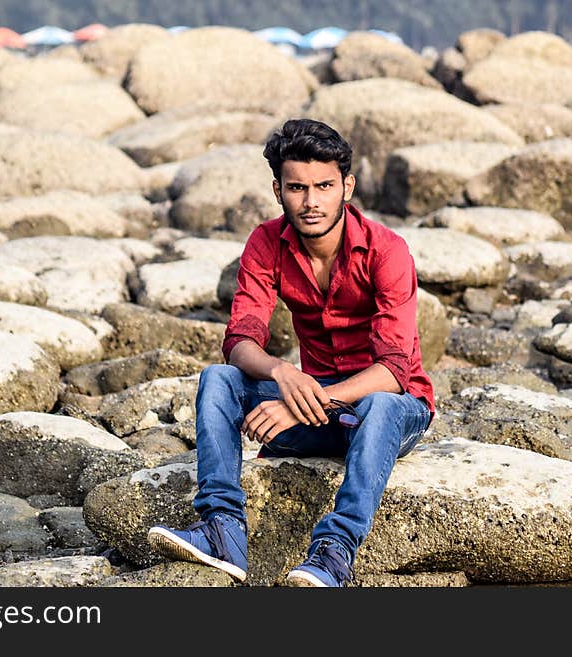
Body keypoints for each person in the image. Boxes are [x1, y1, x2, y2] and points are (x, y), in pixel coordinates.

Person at [147, 118, 434, 587]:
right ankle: (223, 530)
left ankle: (335, 552)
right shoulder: (266, 242)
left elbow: (396, 371)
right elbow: (239, 340)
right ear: (279, 190)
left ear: (348, 186)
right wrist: (283, 373)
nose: (312, 201)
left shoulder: (387, 251)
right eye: (298, 188)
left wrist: (305, 406)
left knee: (380, 404)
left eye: (324, 186)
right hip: (315, 407)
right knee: (218, 378)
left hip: (390, 412)